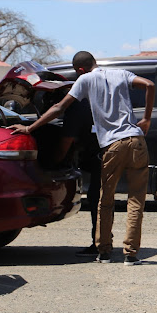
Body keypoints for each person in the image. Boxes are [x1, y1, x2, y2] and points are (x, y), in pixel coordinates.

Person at [10, 51, 155, 265]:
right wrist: (147, 119)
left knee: (105, 200)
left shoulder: (84, 80)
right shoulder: (121, 74)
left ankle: (104, 252)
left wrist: (30, 128)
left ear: (79, 69)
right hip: (137, 141)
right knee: (136, 200)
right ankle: (131, 255)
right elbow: (150, 85)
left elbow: (60, 107)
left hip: (112, 146)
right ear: (94, 62)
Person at [54, 97, 102, 258]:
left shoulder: (74, 107)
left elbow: (67, 140)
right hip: (105, 152)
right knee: (99, 198)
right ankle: (101, 242)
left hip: (99, 156)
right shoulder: (85, 102)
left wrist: (56, 162)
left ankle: (100, 244)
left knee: (96, 198)